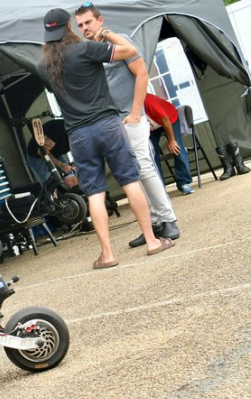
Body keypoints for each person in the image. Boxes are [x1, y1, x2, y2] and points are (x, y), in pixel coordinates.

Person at [36, 8, 174, 269]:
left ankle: (108, 254)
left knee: (95, 194)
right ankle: (152, 241)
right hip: (108, 125)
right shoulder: (86, 49)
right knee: (131, 181)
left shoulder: (42, 66)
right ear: (69, 27)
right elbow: (130, 51)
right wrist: (107, 33)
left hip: (78, 134)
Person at [75, 2, 184, 252]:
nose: (84, 28)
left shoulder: (120, 42)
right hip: (110, 123)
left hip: (131, 117)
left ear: (100, 21)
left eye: (88, 22)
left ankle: (167, 219)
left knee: (144, 166)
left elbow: (142, 73)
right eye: (80, 25)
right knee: (130, 175)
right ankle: (151, 226)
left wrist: (136, 112)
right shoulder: (90, 50)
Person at [143, 92, 196, 192]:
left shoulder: (147, 100)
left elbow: (165, 119)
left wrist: (171, 141)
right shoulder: (126, 107)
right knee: (151, 153)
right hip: (151, 126)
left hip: (168, 118)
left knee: (176, 147)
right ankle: (159, 188)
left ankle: (184, 182)